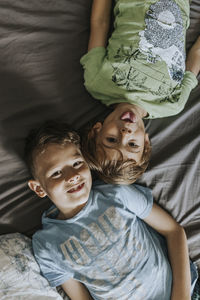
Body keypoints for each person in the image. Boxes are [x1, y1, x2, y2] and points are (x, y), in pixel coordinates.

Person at [24, 121, 198, 300]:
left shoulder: (116, 193)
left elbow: (174, 231)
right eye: (56, 173)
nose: (73, 176)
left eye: (76, 163)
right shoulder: (46, 245)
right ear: (38, 188)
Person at [80, 0, 200, 184]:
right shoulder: (171, 105)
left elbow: (100, 23)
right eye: (132, 145)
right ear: (146, 144)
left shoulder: (97, 83)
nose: (125, 133)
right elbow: (196, 55)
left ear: (97, 130)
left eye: (111, 139)